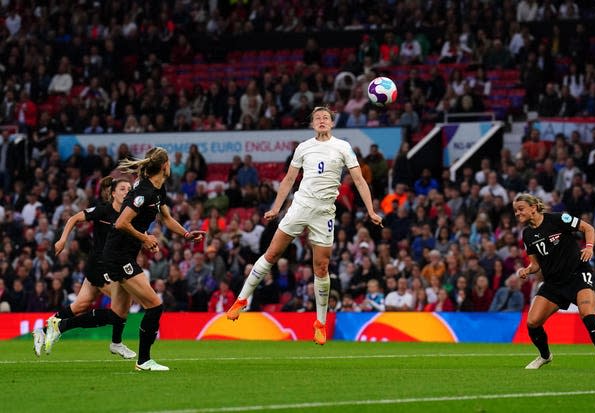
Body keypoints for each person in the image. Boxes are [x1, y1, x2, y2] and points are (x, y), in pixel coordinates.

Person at [225, 106, 383, 345]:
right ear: (312, 124)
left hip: (324, 212)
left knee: (321, 266)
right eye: (317, 118)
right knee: (272, 253)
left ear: (332, 123)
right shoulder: (303, 147)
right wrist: (276, 207)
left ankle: (319, 322)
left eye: (326, 118)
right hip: (300, 206)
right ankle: (241, 299)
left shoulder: (343, 147)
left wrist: (371, 210)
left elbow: (359, 180)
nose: (322, 120)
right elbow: (289, 179)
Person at [45, 148, 205, 371]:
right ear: (165, 166)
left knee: (116, 314)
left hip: (124, 254)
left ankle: (60, 326)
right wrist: (144, 237)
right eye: (168, 162)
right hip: (118, 256)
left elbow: (167, 218)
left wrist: (186, 235)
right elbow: (121, 222)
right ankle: (144, 360)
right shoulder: (145, 193)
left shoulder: (158, 191)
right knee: (155, 306)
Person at [32, 176, 136, 359]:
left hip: (108, 265)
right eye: (122, 189)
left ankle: (44, 329)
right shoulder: (103, 210)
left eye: (129, 188)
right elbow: (74, 218)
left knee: (80, 305)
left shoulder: (130, 214)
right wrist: (63, 239)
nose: (127, 191)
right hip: (99, 266)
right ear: (113, 194)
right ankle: (115, 343)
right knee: (121, 308)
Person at [514, 193, 595, 371]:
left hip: (578, 273)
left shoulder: (558, 218)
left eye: (520, 209)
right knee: (532, 322)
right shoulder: (527, 234)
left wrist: (589, 247)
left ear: (533, 208)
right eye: (515, 211)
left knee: (587, 314)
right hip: (554, 282)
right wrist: (527, 270)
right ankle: (545, 356)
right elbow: (536, 265)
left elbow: (588, 228)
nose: (517, 213)